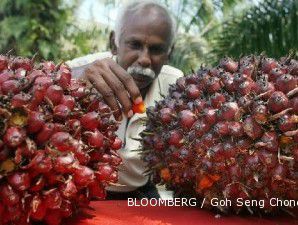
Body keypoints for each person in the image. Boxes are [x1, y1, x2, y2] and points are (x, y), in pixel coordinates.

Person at [67, 0, 183, 199]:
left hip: (140, 192)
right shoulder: (82, 73)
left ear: (169, 53)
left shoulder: (176, 86)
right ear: (114, 43)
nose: (145, 59)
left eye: (156, 49)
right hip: (84, 188)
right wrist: (73, 84)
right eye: (135, 45)